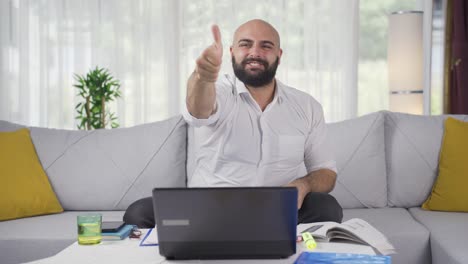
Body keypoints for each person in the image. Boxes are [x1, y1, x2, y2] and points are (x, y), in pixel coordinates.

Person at [124, 19, 342, 228]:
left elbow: (326, 173)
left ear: (279, 55)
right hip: (209, 209)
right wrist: (203, 77)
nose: (255, 52)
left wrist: (303, 185)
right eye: (245, 44)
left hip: (277, 211)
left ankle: (260, 235)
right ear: (231, 52)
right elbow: (199, 110)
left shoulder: (306, 106)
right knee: (138, 213)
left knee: (327, 207)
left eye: (266, 46)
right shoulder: (219, 91)